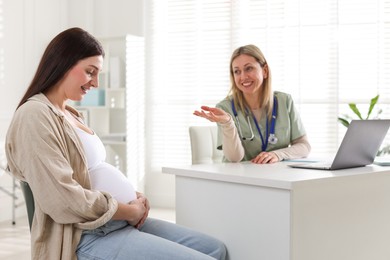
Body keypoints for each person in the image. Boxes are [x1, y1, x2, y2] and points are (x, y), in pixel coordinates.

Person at [5, 27, 226, 260]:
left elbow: (92, 173)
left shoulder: (70, 113)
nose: (95, 83)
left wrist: (133, 197)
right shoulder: (34, 115)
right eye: (90, 72)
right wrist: (128, 210)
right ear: (64, 63)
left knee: (216, 249)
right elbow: (63, 199)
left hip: (117, 222)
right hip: (87, 235)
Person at [194, 44, 311, 164]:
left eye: (248, 68)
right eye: (237, 72)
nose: (243, 77)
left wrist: (277, 154)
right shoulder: (225, 108)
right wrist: (227, 123)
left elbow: (304, 146)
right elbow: (234, 158)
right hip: (240, 179)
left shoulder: (284, 101)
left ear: (264, 71)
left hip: (277, 177)